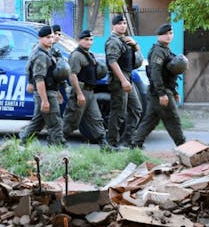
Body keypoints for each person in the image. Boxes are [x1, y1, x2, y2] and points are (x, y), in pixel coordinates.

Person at [131, 23, 186, 148]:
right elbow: (155, 73)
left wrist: (175, 91)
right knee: (173, 119)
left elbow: (169, 75)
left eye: (170, 33)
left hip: (161, 91)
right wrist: (162, 93)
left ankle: (136, 144)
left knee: (151, 120)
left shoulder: (166, 50)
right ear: (159, 36)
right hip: (160, 92)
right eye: (165, 34)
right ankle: (183, 146)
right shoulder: (158, 51)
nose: (168, 36)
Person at [62, 30, 111, 150]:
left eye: (91, 40)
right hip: (81, 92)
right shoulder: (76, 55)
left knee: (96, 118)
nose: (89, 42)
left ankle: (104, 145)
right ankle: (58, 141)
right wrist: (79, 94)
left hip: (90, 93)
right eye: (86, 39)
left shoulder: (89, 54)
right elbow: (72, 75)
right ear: (80, 40)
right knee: (71, 120)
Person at [19, 25, 67, 146]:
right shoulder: (40, 55)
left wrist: (58, 92)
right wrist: (45, 100)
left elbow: (52, 75)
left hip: (51, 91)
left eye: (52, 37)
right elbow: (39, 79)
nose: (51, 39)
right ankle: (58, 147)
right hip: (45, 93)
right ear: (40, 38)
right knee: (55, 122)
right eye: (47, 37)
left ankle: (23, 142)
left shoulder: (48, 52)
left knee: (38, 122)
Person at [104, 15, 144, 148]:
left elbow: (137, 59)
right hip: (119, 79)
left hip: (127, 78)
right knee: (118, 112)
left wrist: (136, 45)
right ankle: (112, 143)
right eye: (119, 23)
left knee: (136, 109)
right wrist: (123, 81)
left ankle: (127, 140)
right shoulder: (113, 41)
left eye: (125, 23)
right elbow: (112, 61)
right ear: (113, 26)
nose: (123, 26)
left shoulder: (124, 41)